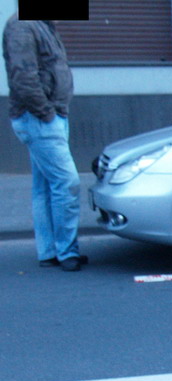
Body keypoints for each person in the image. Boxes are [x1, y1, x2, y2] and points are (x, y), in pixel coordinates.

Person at [3, 11, 86, 271]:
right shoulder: (22, 26)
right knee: (67, 182)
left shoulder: (43, 25)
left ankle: (49, 251)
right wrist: (47, 115)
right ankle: (66, 252)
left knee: (45, 187)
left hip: (48, 116)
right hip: (39, 119)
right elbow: (23, 78)